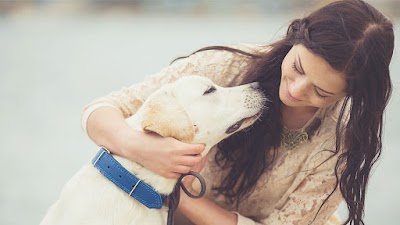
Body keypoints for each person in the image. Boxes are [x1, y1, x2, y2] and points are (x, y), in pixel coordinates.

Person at [81, 0, 394, 224]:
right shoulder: (226, 68)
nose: (296, 91)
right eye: (297, 68)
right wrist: (142, 148)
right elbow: (100, 111)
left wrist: (182, 195)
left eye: (321, 92)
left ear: (349, 95)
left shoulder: (340, 142)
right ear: (295, 36)